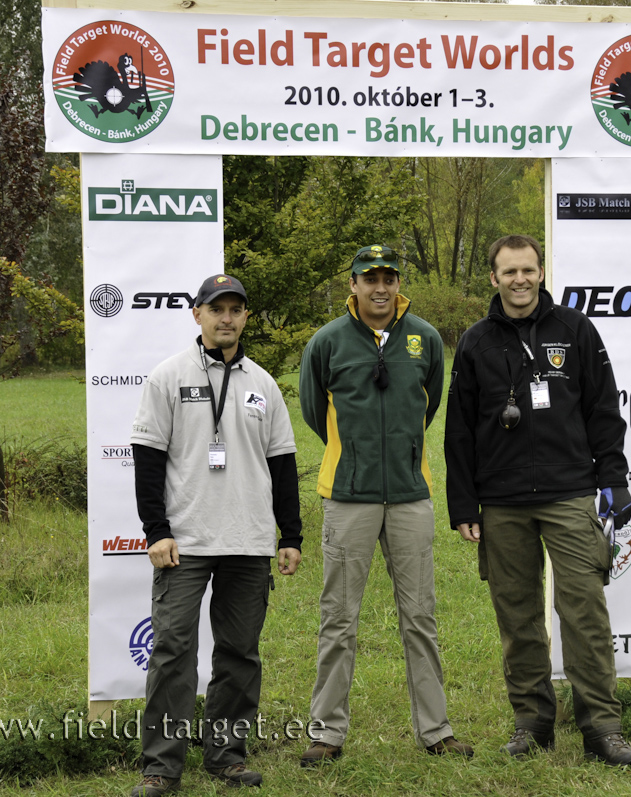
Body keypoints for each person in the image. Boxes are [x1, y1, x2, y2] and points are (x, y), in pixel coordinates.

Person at [444, 234, 631, 767]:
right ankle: (532, 723)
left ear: (541, 271)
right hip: (502, 501)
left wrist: (614, 478)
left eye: (528, 270)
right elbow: (459, 431)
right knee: (519, 618)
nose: (519, 280)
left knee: (585, 615)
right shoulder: (476, 342)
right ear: (493, 277)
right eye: (509, 272)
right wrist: (463, 505)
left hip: (570, 494)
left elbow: (604, 409)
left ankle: (602, 727)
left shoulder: (575, 330)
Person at [297, 244, 472, 765]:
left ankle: (436, 729)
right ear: (351, 284)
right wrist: (352, 459)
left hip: (410, 497)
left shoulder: (427, 339)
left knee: (420, 615)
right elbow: (312, 410)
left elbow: (430, 403)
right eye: (368, 278)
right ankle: (327, 733)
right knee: (338, 618)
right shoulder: (327, 342)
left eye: (388, 277)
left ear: (399, 283)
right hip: (347, 497)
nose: (379, 287)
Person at [128, 274, 302, 796]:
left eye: (236, 309)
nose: (227, 318)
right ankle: (161, 767)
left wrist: (289, 535)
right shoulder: (167, 376)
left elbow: (284, 465)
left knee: (240, 654)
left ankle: (226, 756)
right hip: (185, 542)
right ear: (198, 314)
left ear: (246, 317)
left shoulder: (263, 384)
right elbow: (147, 460)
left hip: (248, 543)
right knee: (173, 652)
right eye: (216, 308)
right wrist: (156, 530)